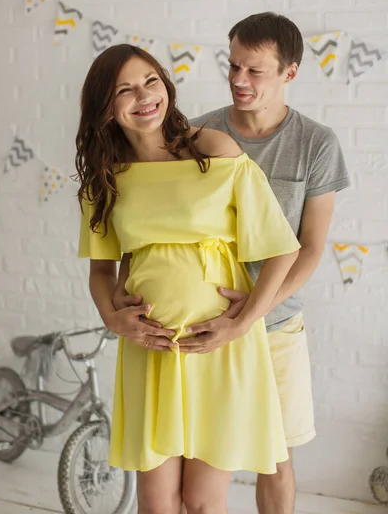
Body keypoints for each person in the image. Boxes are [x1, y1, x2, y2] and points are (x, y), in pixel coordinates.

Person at [76, 43, 301, 514]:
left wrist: (241, 325)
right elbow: (101, 269)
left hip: (216, 346)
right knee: (156, 505)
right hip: (149, 347)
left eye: (151, 81)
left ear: (166, 85)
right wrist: (113, 320)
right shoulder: (106, 177)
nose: (144, 96)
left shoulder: (214, 150)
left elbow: (282, 248)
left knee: (202, 502)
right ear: (106, 108)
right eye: (125, 90)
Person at [185, 12, 350, 514]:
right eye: (233, 65)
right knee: (200, 454)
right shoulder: (195, 134)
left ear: (290, 73)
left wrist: (251, 313)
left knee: (274, 457)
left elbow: (311, 247)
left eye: (254, 70)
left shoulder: (316, 144)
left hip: (276, 326)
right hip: (204, 322)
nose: (238, 80)